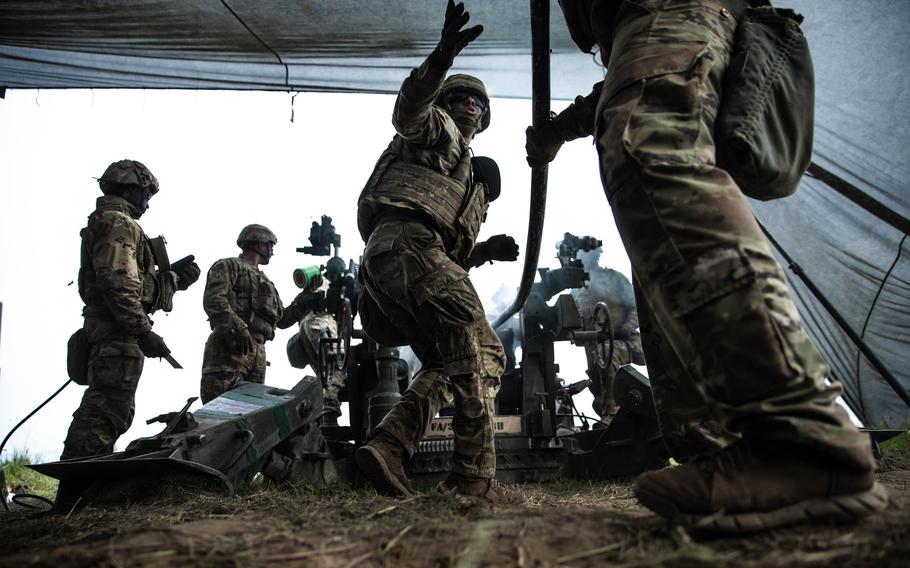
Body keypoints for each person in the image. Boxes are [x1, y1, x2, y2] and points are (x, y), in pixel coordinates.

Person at [525, 0, 886, 531]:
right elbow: (638, 72)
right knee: (662, 245)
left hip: (660, 8)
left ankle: (801, 437)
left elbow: (654, 75)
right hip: (650, 21)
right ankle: (733, 458)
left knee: (650, 151)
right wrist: (560, 129)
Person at [354, 0, 519, 502]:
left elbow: (442, 260)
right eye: (463, 98)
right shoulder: (437, 133)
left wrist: (482, 247)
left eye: (479, 103)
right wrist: (442, 59)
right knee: (485, 351)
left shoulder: (465, 174)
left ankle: (390, 444)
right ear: (449, 105)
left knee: (451, 364)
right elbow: (410, 110)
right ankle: (473, 480)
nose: (473, 105)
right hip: (407, 245)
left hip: (399, 258)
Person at [61, 159, 201, 459]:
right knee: (106, 408)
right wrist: (142, 331)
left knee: (113, 407)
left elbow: (128, 282)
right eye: (146, 195)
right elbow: (118, 283)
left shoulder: (109, 221)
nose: (147, 205)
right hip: (119, 330)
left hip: (114, 328)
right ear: (132, 188)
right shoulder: (119, 223)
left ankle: (84, 483)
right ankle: (80, 485)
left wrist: (170, 280)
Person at [200, 224, 322, 403]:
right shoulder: (229, 265)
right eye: (270, 245)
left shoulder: (267, 282)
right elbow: (214, 300)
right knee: (220, 405)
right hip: (231, 345)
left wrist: (304, 298)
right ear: (258, 244)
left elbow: (281, 320)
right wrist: (239, 328)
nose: (272, 251)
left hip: (258, 351)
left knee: (251, 412)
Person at [572, 247, 645, 424]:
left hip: (624, 342)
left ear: (596, 256)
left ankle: (612, 415)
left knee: (607, 354)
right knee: (598, 395)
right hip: (594, 351)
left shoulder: (614, 279)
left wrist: (626, 328)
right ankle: (613, 412)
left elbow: (637, 305)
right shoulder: (577, 290)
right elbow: (574, 323)